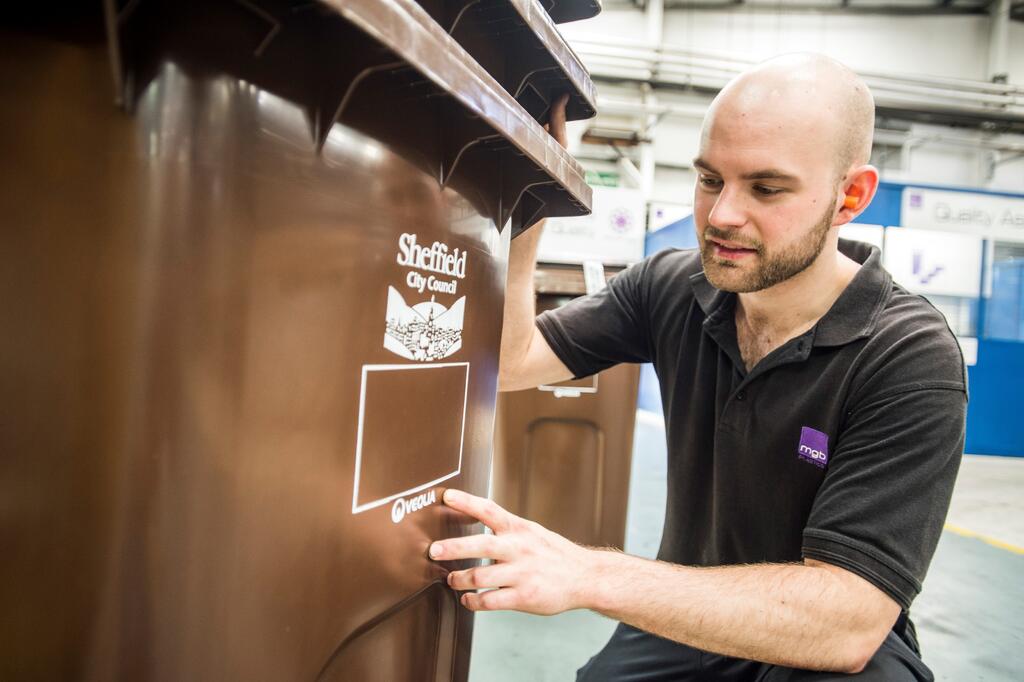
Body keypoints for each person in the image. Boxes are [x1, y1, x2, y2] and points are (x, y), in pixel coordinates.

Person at [428, 53, 966, 681]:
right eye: (710, 179)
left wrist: (590, 572)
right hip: (685, 619)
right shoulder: (674, 286)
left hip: (819, 645)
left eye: (766, 188)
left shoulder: (906, 355)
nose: (721, 216)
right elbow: (512, 361)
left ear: (851, 195)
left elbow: (846, 621)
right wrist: (531, 204)